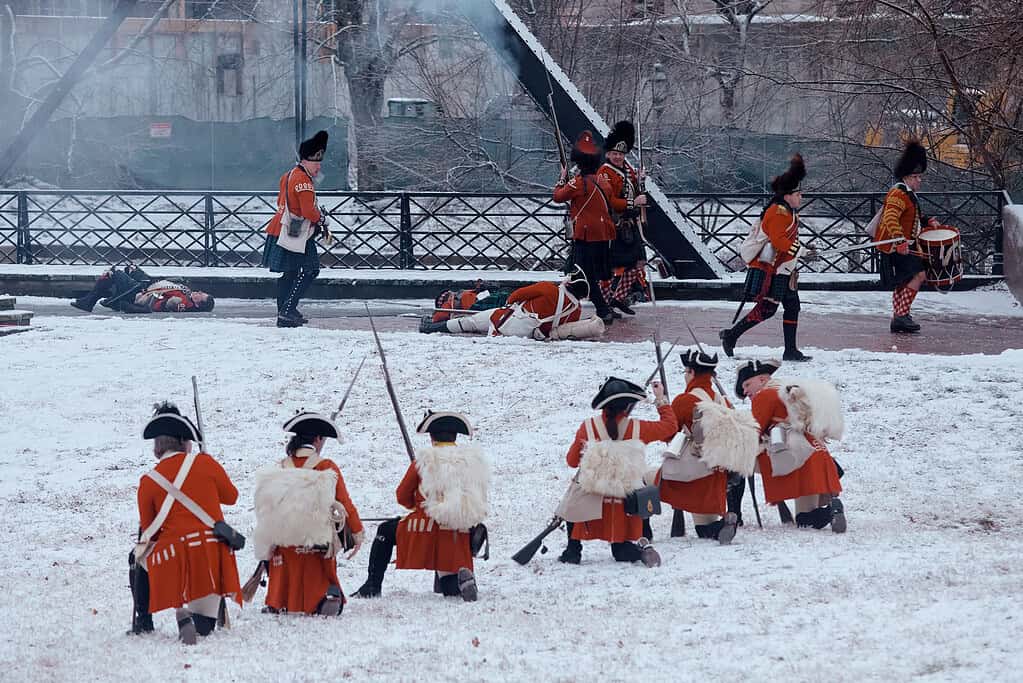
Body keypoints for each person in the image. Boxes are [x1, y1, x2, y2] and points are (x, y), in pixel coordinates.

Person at [132, 402, 242, 644]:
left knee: (136, 555)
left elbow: (149, 532)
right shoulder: (205, 463)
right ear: (185, 441)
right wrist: (211, 467)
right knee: (205, 628)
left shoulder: (148, 481)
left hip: (172, 555)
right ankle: (194, 620)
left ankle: (146, 621)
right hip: (211, 553)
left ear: (158, 446)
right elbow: (231, 497)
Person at [354, 411, 489, 602]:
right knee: (449, 587)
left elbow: (402, 495)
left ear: (432, 437)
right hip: (462, 530)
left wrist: (418, 507)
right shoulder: (472, 461)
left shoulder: (425, 460)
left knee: (385, 530)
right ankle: (461, 584)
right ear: (455, 436)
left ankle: (372, 585)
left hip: (427, 526)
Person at [251, 412, 364, 616]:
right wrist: (357, 532)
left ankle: (278, 600)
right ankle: (325, 598)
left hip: (285, 542)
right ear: (318, 439)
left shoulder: (281, 467)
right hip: (317, 543)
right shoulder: (326, 466)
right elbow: (345, 502)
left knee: (282, 551)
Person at [557, 377, 677, 566]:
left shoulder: (588, 428)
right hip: (623, 504)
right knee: (621, 552)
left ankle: (573, 549)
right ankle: (633, 548)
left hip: (592, 501)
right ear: (627, 405)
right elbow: (671, 426)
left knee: (575, 494)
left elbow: (571, 462)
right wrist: (660, 399)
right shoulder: (638, 428)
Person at [719, 154, 812, 362]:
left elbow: (787, 240)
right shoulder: (778, 212)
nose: (801, 197)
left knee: (792, 306)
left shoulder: (787, 211)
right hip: (774, 269)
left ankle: (790, 350)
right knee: (768, 309)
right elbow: (778, 240)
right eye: (798, 194)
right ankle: (731, 335)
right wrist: (801, 251)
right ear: (787, 195)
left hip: (784, 267)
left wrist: (803, 250)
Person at [735, 359, 847, 532]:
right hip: (815, 453)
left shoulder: (765, 395)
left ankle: (734, 515)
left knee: (734, 464)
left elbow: (753, 432)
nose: (745, 391)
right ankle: (832, 510)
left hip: (793, 457)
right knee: (806, 519)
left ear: (762, 380)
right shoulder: (790, 391)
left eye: (747, 384)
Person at [653, 349, 742, 544]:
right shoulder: (722, 400)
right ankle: (724, 524)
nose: (685, 376)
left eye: (686, 372)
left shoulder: (684, 400)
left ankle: (643, 532)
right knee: (705, 530)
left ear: (692, 372)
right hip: (718, 474)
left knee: (647, 483)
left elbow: (667, 433)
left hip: (691, 470)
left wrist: (661, 402)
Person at [418, 267, 603, 340]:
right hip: (531, 334)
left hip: (508, 322)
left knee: (470, 322)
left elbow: (515, 296)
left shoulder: (548, 288)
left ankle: (432, 327)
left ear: (569, 283)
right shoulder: (576, 310)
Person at [263, 130, 331, 328]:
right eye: (316, 163)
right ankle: (287, 310)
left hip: (280, 229)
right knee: (311, 270)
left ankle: (285, 311)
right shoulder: (304, 181)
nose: (319, 167)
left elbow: (281, 201)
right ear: (305, 161)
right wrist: (322, 219)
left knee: (290, 272)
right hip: (297, 233)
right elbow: (308, 211)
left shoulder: (288, 175)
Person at [876, 140, 941, 333]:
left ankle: (899, 316)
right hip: (897, 245)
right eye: (915, 177)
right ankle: (901, 315)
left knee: (904, 280)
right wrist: (899, 240)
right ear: (906, 176)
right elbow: (890, 218)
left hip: (906, 244)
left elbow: (912, 215)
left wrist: (927, 221)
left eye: (920, 176)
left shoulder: (908, 193)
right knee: (919, 275)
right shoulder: (899, 194)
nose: (919, 180)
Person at [553, 130, 617, 325]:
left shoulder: (578, 183)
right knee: (587, 273)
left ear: (579, 162)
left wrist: (562, 178)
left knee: (584, 273)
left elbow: (558, 196)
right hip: (603, 234)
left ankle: (603, 310)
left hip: (585, 234)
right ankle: (574, 304)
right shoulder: (603, 181)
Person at [597, 120, 648, 318]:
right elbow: (610, 202)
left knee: (637, 263)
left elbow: (635, 190)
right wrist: (633, 202)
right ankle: (604, 305)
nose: (618, 157)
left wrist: (641, 181)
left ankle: (617, 298)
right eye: (614, 154)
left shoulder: (627, 169)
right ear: (608, 154)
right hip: (613, 225)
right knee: (609, 268)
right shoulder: (604, 173)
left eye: (621, 154)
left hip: (629, 224)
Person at [70, 265, 214, 314]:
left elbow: (161, 304)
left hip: (140, 292)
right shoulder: (187, 294)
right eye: (201, 292)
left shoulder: (183, 302)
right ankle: (100, 301)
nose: (199, 292)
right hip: (148, 284)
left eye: (200, 296)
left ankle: (89, 302)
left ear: (197, 304)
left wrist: (147, 298)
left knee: (113, 273)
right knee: (130, 268)